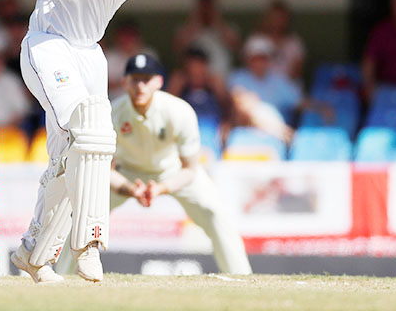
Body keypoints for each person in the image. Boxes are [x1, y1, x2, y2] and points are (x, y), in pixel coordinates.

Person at [0, 0, 155, 282]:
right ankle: (89, 244)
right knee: (88, 135)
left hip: (89, 53)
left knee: (70, 156)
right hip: (47, 42)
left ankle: (33, 255)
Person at [57, 53, 252, 275]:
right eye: (135, 79)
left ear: (159, 82)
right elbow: (102, 170)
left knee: (216, 213)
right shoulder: (111, 113)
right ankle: (61, 277)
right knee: (82, 216)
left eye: (146, 80)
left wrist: (160, 188)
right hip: (127, 173)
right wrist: (130, 188)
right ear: (125, 82)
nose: (140, 86)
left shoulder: (179, 111)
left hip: (173, 172)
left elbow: (190, 169)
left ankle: (241, 276)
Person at [227, 35, 303, 143]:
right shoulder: (238, 78)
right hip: (246, 130)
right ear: (247, 59)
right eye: (255, 58)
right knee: (255, 109)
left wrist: (321, 108)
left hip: (275, 135)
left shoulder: (278, 80)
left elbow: (300, 102)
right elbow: (240, 105)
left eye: (263, 58)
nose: (259, 62)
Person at [173, 0, 241, 78]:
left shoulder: (228, 28)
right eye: (203, 7)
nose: (206, 10)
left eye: (209, 7)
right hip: (194, 77)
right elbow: (178, 49)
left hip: (222, 76)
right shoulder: (186, 29)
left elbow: (236, 48)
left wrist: (217, 20)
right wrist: (196, 20)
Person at [166, 44, 229, 127]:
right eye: (191, 70)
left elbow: (228, 110)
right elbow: (166, 110)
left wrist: (219, 89)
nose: (196, 73)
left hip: (213, 130)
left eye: (200, 69)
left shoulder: (214, 86)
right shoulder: (180, 88)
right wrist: (175, 86)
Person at [361, 0, 396, 101]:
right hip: (386, 88)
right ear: (392, 6)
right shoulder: (381, 31)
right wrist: (369, 84)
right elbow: (369, 62)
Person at [254, 0, 306, 84]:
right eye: (274, 17)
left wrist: (281, 87)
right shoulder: (256, 40)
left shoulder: (295, 42)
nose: (277, 21)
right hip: (261, 87)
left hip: (288, 87)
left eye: (281, 17)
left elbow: (297, 71)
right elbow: (252, 70)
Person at [103, 22, 158, 99]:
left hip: (143, 101)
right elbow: (102, 84)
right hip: (115, 102)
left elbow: (156, 79)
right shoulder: (110, 56)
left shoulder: (148, 53)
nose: (127, 40)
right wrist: (127, 81)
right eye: (124, 36)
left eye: (130, 36)